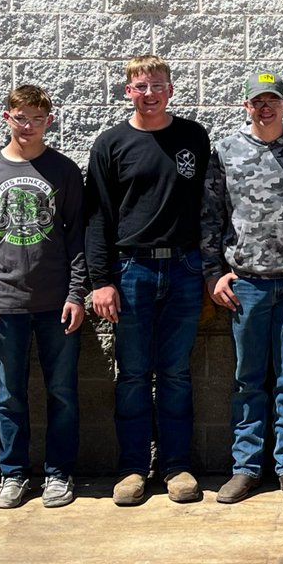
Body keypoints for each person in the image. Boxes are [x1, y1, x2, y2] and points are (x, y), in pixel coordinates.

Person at [84, 55, 211, 506]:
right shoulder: (110, 144)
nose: (150, 93)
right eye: (140, 86)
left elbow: (206, 207)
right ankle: (133, 468)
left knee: (176, 372)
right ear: (127, 92)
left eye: (157, 84)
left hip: (184, 268)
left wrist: (212, 267)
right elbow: (97, 217)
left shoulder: (193, 137)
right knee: (133, 373)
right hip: (131, 270)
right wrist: (101, 280)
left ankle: (176, 467)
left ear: (171, 89)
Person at [201, 71, 283, 505]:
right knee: (248, 380)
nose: (265, 107)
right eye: (258, 101)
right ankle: (246, 467)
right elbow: (211, 215)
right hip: (246, 284)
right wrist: (213, 273)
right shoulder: (226, 150)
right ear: (246, 106)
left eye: (273, 100)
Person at [0, 84, 86, 509]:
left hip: (56, 303)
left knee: (62, 392)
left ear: (48, 121)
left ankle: (58, 473)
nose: (28, 126)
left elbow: (77, 238)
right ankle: (13, 474)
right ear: (7, 118)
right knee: (9, 394)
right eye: (21, 117)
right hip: (3, 303)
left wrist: (77, 293)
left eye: (37, 118)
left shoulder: (64, 170)